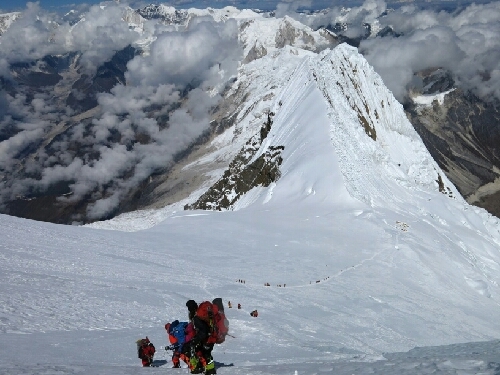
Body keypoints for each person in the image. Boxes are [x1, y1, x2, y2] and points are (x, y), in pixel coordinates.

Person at [183, 300, 216, 375]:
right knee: (205, 352)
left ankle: (206, 369)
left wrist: (195, 340)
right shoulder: (201, 314)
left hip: (207, 338)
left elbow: (203, 332)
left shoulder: (197, 317)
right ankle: (209, 369)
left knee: (204, 352)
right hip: (212, 336)